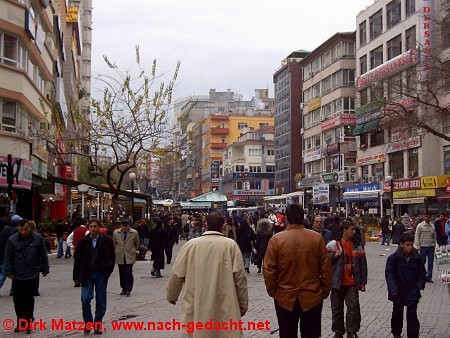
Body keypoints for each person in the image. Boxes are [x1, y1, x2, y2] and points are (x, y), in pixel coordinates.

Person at [167, 211, 248, 338]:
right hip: (225, 304)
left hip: (196, 304)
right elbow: (240, 278)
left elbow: (177, 274)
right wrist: (243, 304)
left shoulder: (191, 245)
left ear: (206, 224)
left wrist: (172, 295)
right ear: (223, 225)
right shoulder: (230, 245)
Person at [263, 204, 332, 338]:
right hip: (312, 296)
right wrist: (324, 290)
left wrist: (273, 292)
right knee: (311, 334)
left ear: (287, 218)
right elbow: (326, 269)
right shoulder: (316, 239)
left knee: (287, 333)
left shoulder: (276, 240)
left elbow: (269, 270)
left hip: (284, 297)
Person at [3, 219, 49, 333]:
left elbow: (43, 255)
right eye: (21, 229)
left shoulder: (38, 238)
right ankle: (20, 321)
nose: (24, 231)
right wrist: (9, 272)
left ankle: (28, 322)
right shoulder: (12, 240)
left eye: (26, 229)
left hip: (32, 273)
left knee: (28, 299)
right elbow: (8, 257)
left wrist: (45, 269)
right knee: (18, 300)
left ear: (30, 228)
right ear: (18, 228)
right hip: (17, 274)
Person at [326, 219, 368, 338]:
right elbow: (324, 259)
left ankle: (352, 330)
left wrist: (363, 281)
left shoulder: (357, 246)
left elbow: (363, 264)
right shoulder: (333, 244)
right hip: (337, 282)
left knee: (353, 307)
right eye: (351, 229)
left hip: (352, 283)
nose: (354, 231)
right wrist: (334, 255)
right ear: (345, 231)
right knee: (337, 308)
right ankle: (338, 331)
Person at [73, 219, 115, 335]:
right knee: (85, 298)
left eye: (95, 226)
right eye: (90, 226)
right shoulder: (83, 241)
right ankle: (88, 323)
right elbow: (77, 259)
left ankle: (97, 324)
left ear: (99, 227)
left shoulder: (107, 241)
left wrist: (108, 270)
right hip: (87, 274)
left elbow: (112, 256)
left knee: (101, 300)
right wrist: (76, 276)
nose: (92, 229)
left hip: (101, 274)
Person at [385, 232, 427, 338]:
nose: (410, 247)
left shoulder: (417, 258)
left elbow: (422, 274)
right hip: (398, 291)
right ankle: (396, 333)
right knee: (397, 314)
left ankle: (413, 335)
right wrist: (393, 289)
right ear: (401, 244)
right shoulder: (393, 258)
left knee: (412, 315)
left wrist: (418, 286)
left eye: (411, 244)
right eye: (407, 244)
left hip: (413, 290)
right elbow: (390, 274)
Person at [112, 219, 140, 296]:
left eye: (126, 226)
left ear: (129, 225)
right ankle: (123, 288)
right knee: (121, 272)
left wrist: (134, 249)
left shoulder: (134, 233)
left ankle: (128, 288)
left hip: (130, 254)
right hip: (120, 255)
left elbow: (137, 243)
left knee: (128, 271)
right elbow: (113, 243)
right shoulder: (116, 233)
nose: (124, 227)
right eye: (123, 226)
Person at [413, 213, 436, 283]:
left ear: (430, 218)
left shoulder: (432, 226)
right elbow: (417, 235)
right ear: (423, 217)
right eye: (425, 217)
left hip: (431, 247)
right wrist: (417, 245)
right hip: (423, 247)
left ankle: (429, 277)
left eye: (428, 217)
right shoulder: (420, 226)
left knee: (430, 262)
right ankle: (421, 276)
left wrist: (435, 245)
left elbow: (434, 236)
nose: (427, 218)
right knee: (422, 262)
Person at [0, 214, 19, 292]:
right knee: (6, 272)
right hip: (11, 254)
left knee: (6, 272)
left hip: (3, 253)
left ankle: (13, 289)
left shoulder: (5, 230)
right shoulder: (16, 231)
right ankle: (13, 290)